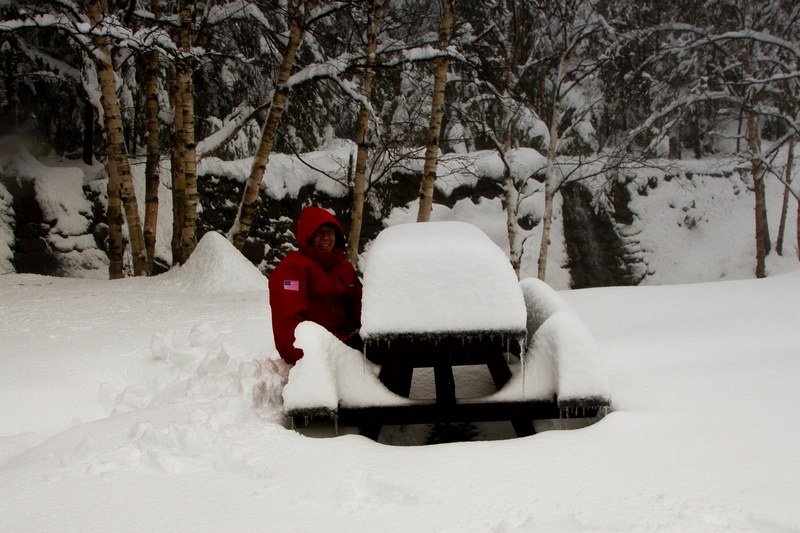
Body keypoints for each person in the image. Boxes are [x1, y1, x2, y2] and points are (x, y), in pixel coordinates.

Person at [268, 206, 362, 366]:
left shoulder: (343, 266)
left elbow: (360, 305)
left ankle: (382, 390)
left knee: (397, 346)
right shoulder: (292, 269)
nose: (326, 238)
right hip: (319, 348)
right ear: (308, 236)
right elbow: (287, 321)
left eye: (330, 232)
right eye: (319, 233)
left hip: (348, 338)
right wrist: (306, 359)